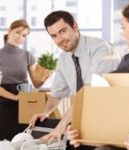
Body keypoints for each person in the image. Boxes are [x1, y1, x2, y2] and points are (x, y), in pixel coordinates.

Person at [29, 10, 120, 149]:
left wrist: (63, 124)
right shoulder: (64, 58)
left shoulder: (101, 49)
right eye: (54, 36)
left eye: (63, 31)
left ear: (75, 26)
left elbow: (91, 94)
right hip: (81, 123)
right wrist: (45, 112)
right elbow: (57, 93)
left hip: (107, 122)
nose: (60, 39)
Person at [67, 1, 129, 150]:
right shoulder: (127, 62)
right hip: (123, 141)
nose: (122, 33)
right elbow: (106, 101)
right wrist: (82, 130)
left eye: (124, 28)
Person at [0, 19, 50, 140]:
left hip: (25, 102)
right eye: (17, 32)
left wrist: (45, 77)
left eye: (24, 35)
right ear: (9, 31)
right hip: (4, 103)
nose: (20, 37)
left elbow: (36, 84)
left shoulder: (27, 55)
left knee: (25, 138)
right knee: (5, 139)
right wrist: (16, 97)